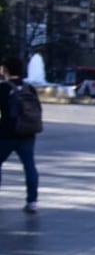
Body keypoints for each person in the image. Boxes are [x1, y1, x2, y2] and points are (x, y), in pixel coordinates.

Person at [0, 56, 41, 213]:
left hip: (6, 134)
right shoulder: (29, 88)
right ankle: (32, 201)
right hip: (27, 133)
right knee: (29, 166)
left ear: (6, 70)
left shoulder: (3, 88)